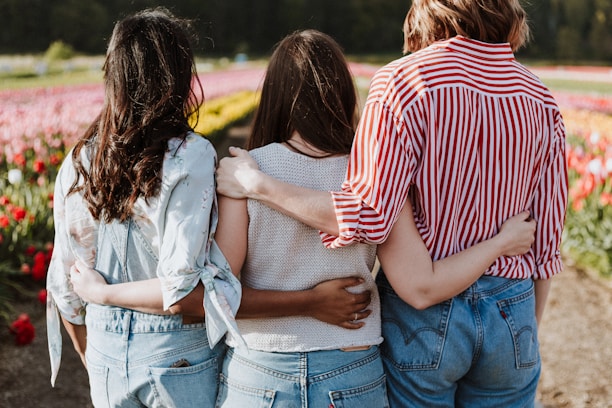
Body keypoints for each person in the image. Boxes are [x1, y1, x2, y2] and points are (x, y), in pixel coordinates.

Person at [73, 28, 536, 407]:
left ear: (275, 95)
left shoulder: (245, 169)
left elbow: (223, 285)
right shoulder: (374, 174)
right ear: (342, 93)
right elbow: (410, 276)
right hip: (352, 364)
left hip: (260, 367)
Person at [215, 1, 569, 407]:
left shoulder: (405, 81)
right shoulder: (540, 96)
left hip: (429, 316)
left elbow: (368, 213)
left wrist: (258, 184)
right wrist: (526, 331)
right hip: (514, 307)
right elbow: (547, 238)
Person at [46, 8, 242, 407]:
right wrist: (107, 297)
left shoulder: (79, 161)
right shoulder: (190, 155)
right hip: (175, 355)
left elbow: (66, 288)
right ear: (177, 76)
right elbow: (177, 288)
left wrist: (95, 354)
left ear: (114, 75)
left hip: (104, 353)